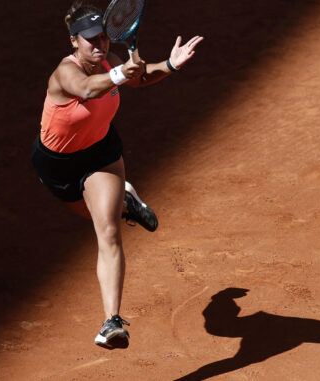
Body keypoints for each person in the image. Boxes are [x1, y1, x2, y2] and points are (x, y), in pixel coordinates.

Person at [30, 0, 203, 350]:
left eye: (104, 38)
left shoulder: (107, 63)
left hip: (101, 154)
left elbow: (138, 78)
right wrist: (122, 72)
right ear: (74, 42)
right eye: (91, 40)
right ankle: (126, 200)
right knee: (91, 215)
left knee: (107, 231)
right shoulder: (65, 73)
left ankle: (112, 322)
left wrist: (169, 64)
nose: (100, 45)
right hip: (57, 165)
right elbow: (89, 88)